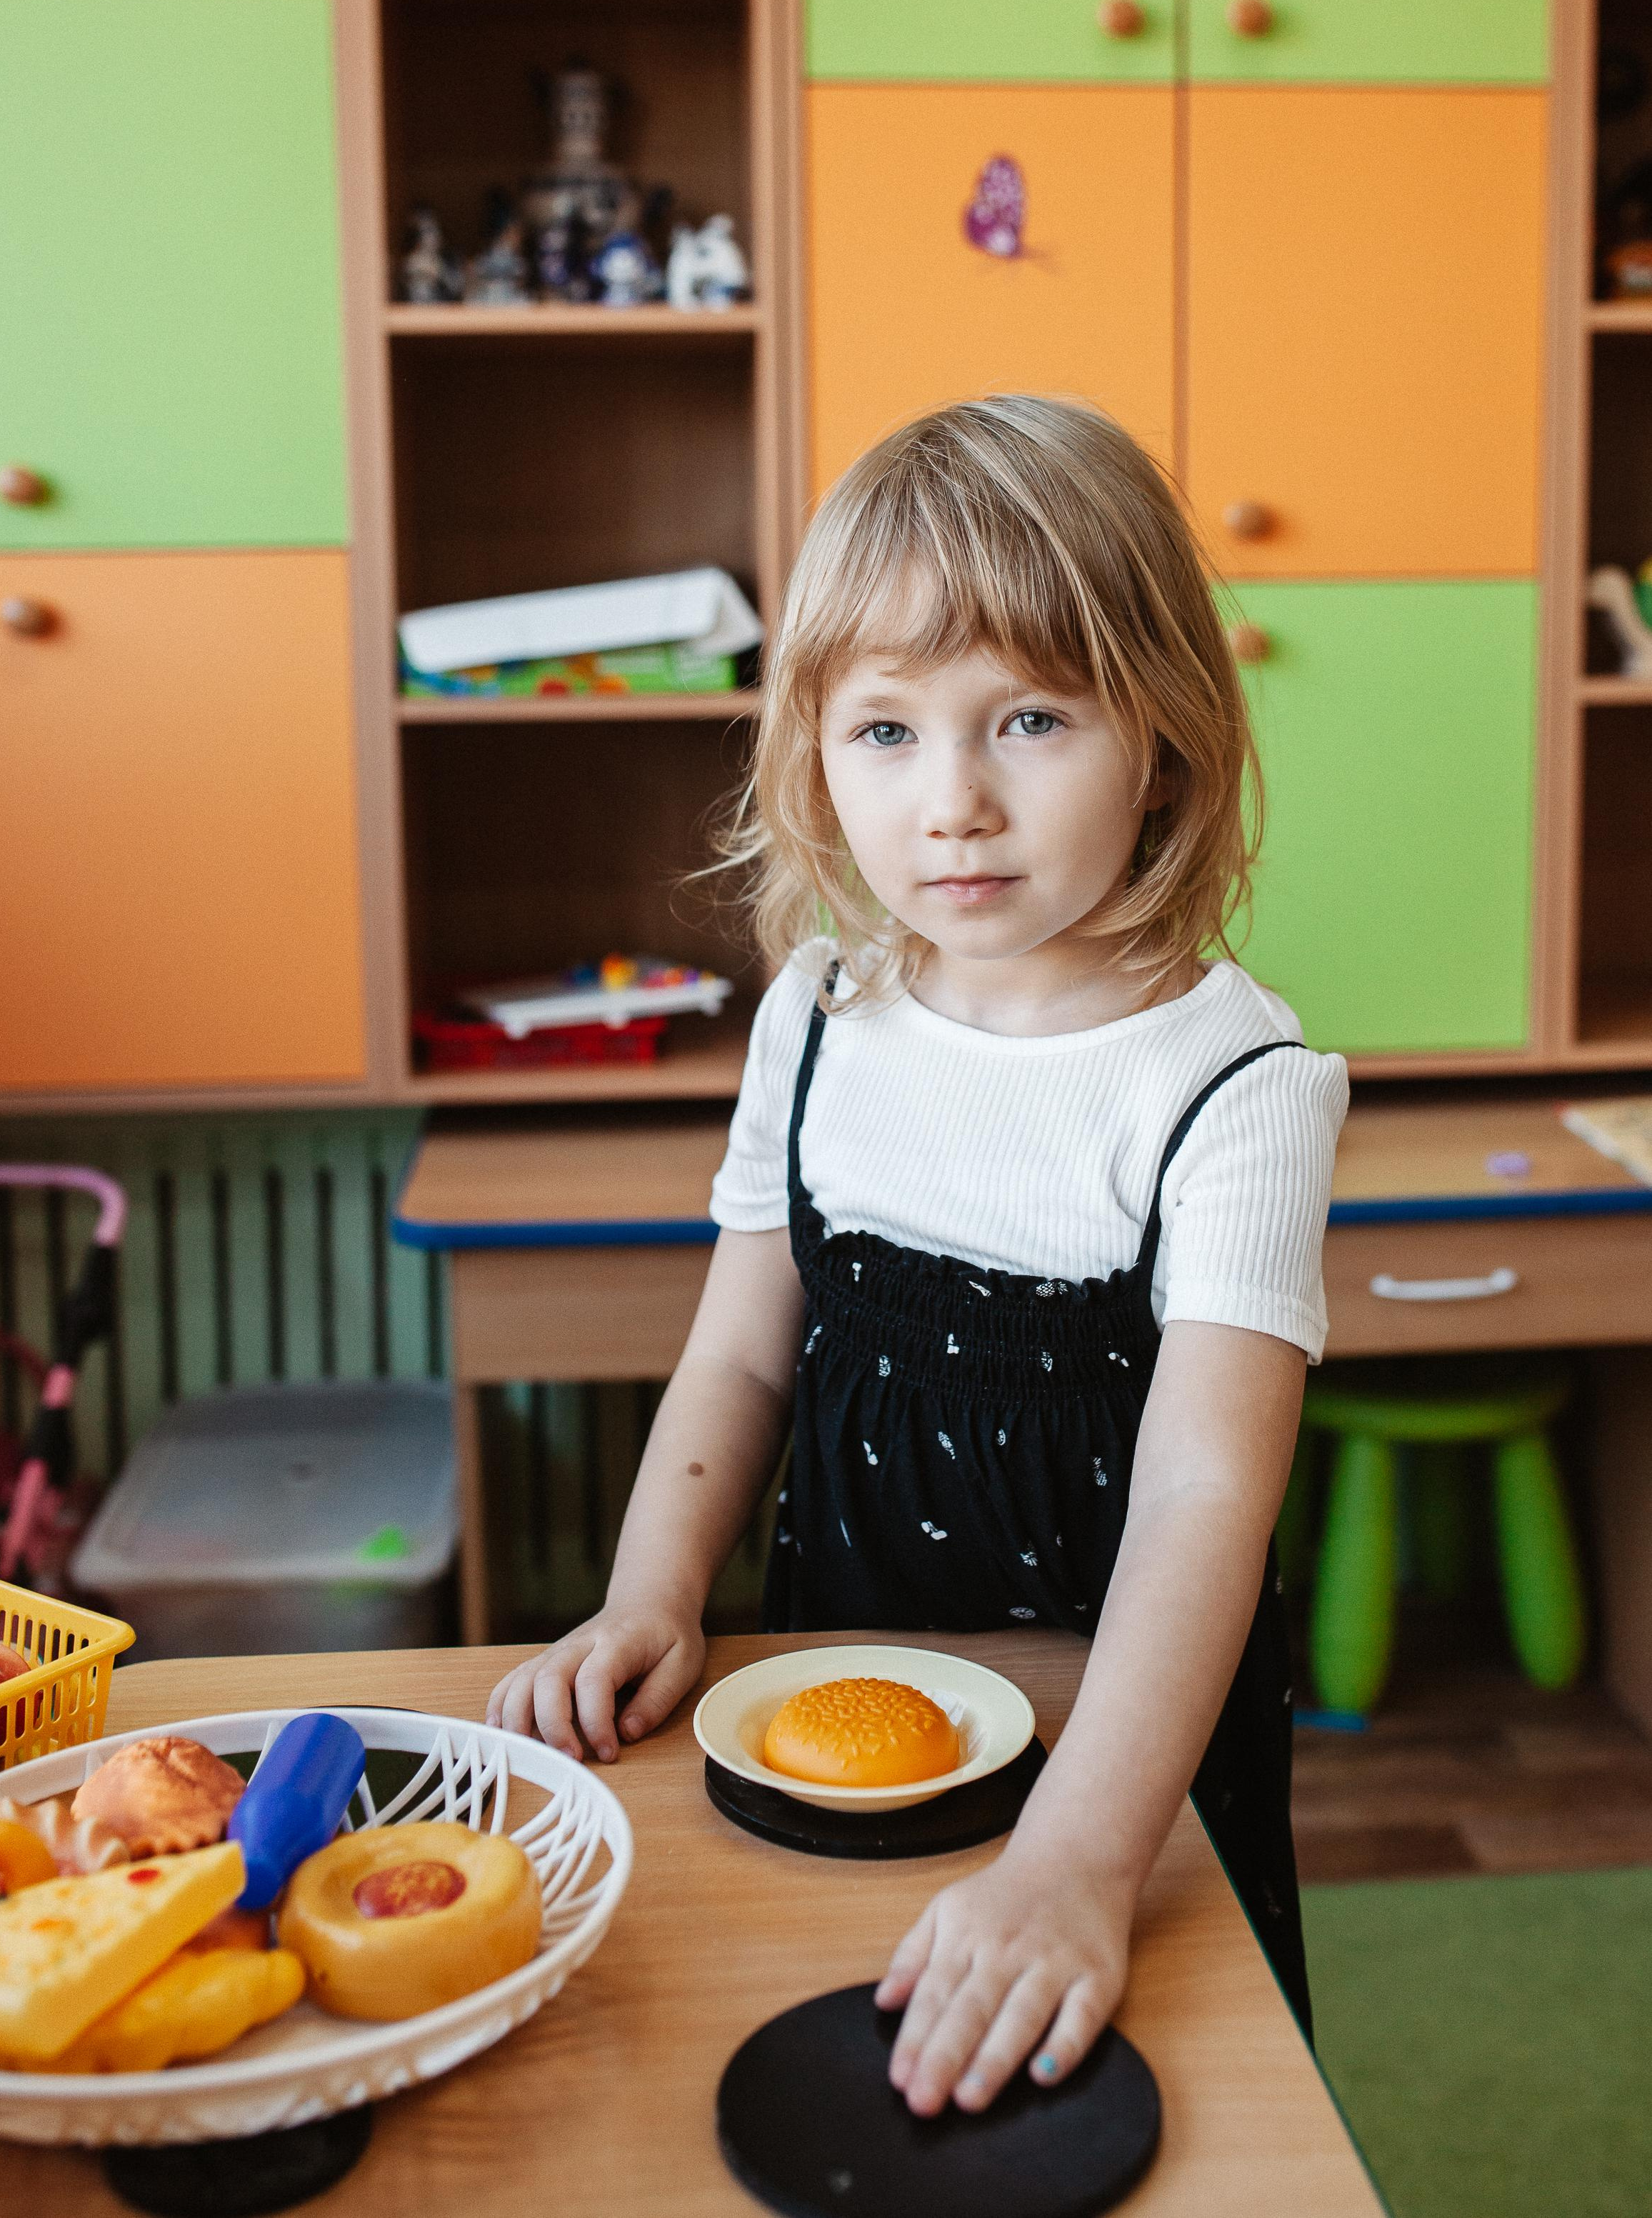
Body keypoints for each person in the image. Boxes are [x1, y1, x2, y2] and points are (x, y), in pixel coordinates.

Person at [489, 395, 1348, 2115]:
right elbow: (738, 1352)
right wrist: (652, 1590)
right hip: (842, 1664)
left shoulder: (1238, 1084)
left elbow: (1204, 1501)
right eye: (883, 730)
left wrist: (1085, 1864)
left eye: (1028, 717)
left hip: (1123, 1749)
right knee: (861, 2044)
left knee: (1144, 2097)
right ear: (811, 748)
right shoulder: (817, 1010)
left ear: (1164, 736)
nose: (951, 802)